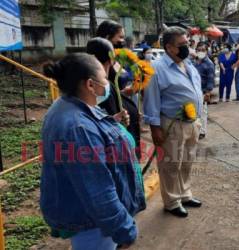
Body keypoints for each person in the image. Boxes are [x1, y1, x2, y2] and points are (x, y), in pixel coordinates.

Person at [41, 53, 146, 250]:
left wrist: (112, 122)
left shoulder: (70, 106)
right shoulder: (78, 128)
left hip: (92, 220)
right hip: (95, 225)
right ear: (90, 85)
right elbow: (98, 190)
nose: (107, 84)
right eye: (105, 78)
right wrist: (124, 230)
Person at [143, 27, 203, 218]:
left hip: (192, 122)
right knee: (170, 164)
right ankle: (172, 201)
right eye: (182, 45)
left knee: (186, 162)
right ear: (169, 47)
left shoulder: (187, 63)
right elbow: (151, 101)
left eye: (187, 43)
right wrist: (155, 128)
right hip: (171, 124)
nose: (187, 47)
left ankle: (185, 194)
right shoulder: (157, 69)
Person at [96, 22, 141, 157]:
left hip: (126, 112)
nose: (122, 41)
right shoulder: (99, 63)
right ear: (107, 37)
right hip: (114, 113)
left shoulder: (117, 60)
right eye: (119, 37)